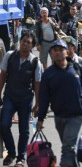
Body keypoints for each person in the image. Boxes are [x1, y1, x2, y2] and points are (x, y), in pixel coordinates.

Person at [37, 39, 82, 167]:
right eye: (55, 50)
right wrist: (40, 118)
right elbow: (44, 97)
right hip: (59, 116)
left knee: (67, 147)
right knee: (70, 147)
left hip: (76, 115)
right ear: (51, 53)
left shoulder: (77, 69)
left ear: (67, 52)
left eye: (61, 50)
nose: (58, 53)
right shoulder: (48, 74)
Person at [0, 31, 42, 167]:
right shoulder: (9, 56)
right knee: (4, 124)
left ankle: (21, 158)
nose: (25, 44)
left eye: (28, 42)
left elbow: (37, 84)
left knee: (24, 130)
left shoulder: (35, 62)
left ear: (32, 46)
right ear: (20, 41)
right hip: (9, 97)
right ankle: (11, 153)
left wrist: (37, 103)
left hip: (25, 99)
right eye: (24, 41)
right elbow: (2, 76)